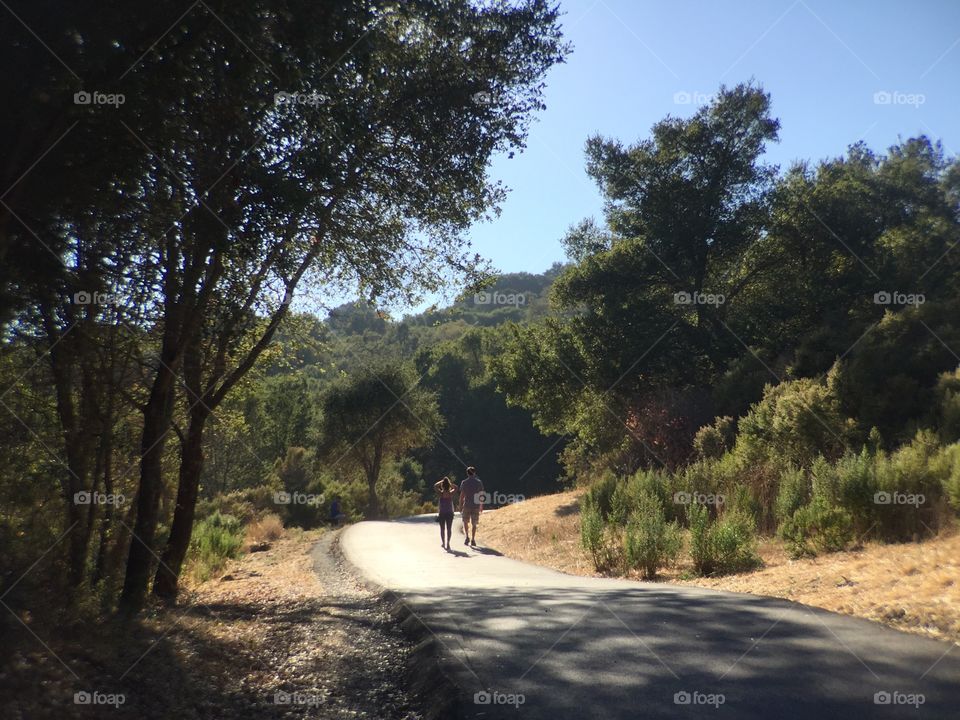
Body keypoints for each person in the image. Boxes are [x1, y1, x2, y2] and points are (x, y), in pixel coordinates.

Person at [458, 466, 484, 546]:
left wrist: (460, 505)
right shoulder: (478, 482)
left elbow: (462, 496)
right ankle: (473, 539)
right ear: (474, 473)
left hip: (467, 505)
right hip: (475, 505)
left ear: (467, 473)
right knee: (474, 523)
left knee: (465, 521)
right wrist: (481, 505)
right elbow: (481, 495)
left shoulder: (464, 482)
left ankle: (467, 537)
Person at [434, 476, 458, 549]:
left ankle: (443, 542)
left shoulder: (441, 494)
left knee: (442, 529)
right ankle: (448, 543)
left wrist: (442, 481)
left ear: (442, 485)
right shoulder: (450, 494)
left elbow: (435, 486)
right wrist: (450, 483)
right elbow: (456, 487)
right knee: (449, 529)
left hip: (442, 513)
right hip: (450, 513)